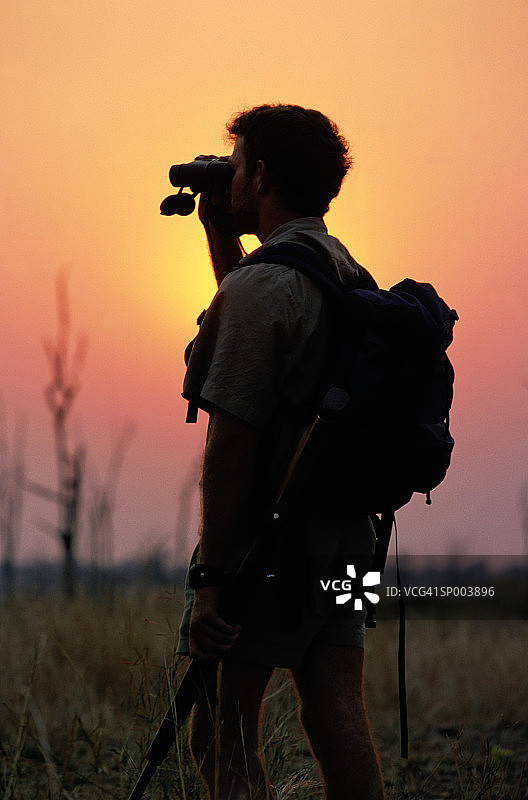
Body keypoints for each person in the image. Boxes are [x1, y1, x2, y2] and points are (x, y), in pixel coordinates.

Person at [176, 104, 385, 800]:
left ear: (261, 175)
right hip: (349, 536)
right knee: (337, 718)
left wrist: (212, 579)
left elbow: (233, 442)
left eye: (236, 167)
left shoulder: (260, 287)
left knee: (220, 733)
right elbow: (272, 334)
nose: (229, 180)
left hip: (269, 543)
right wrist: (220, 237)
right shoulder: (344, 270)